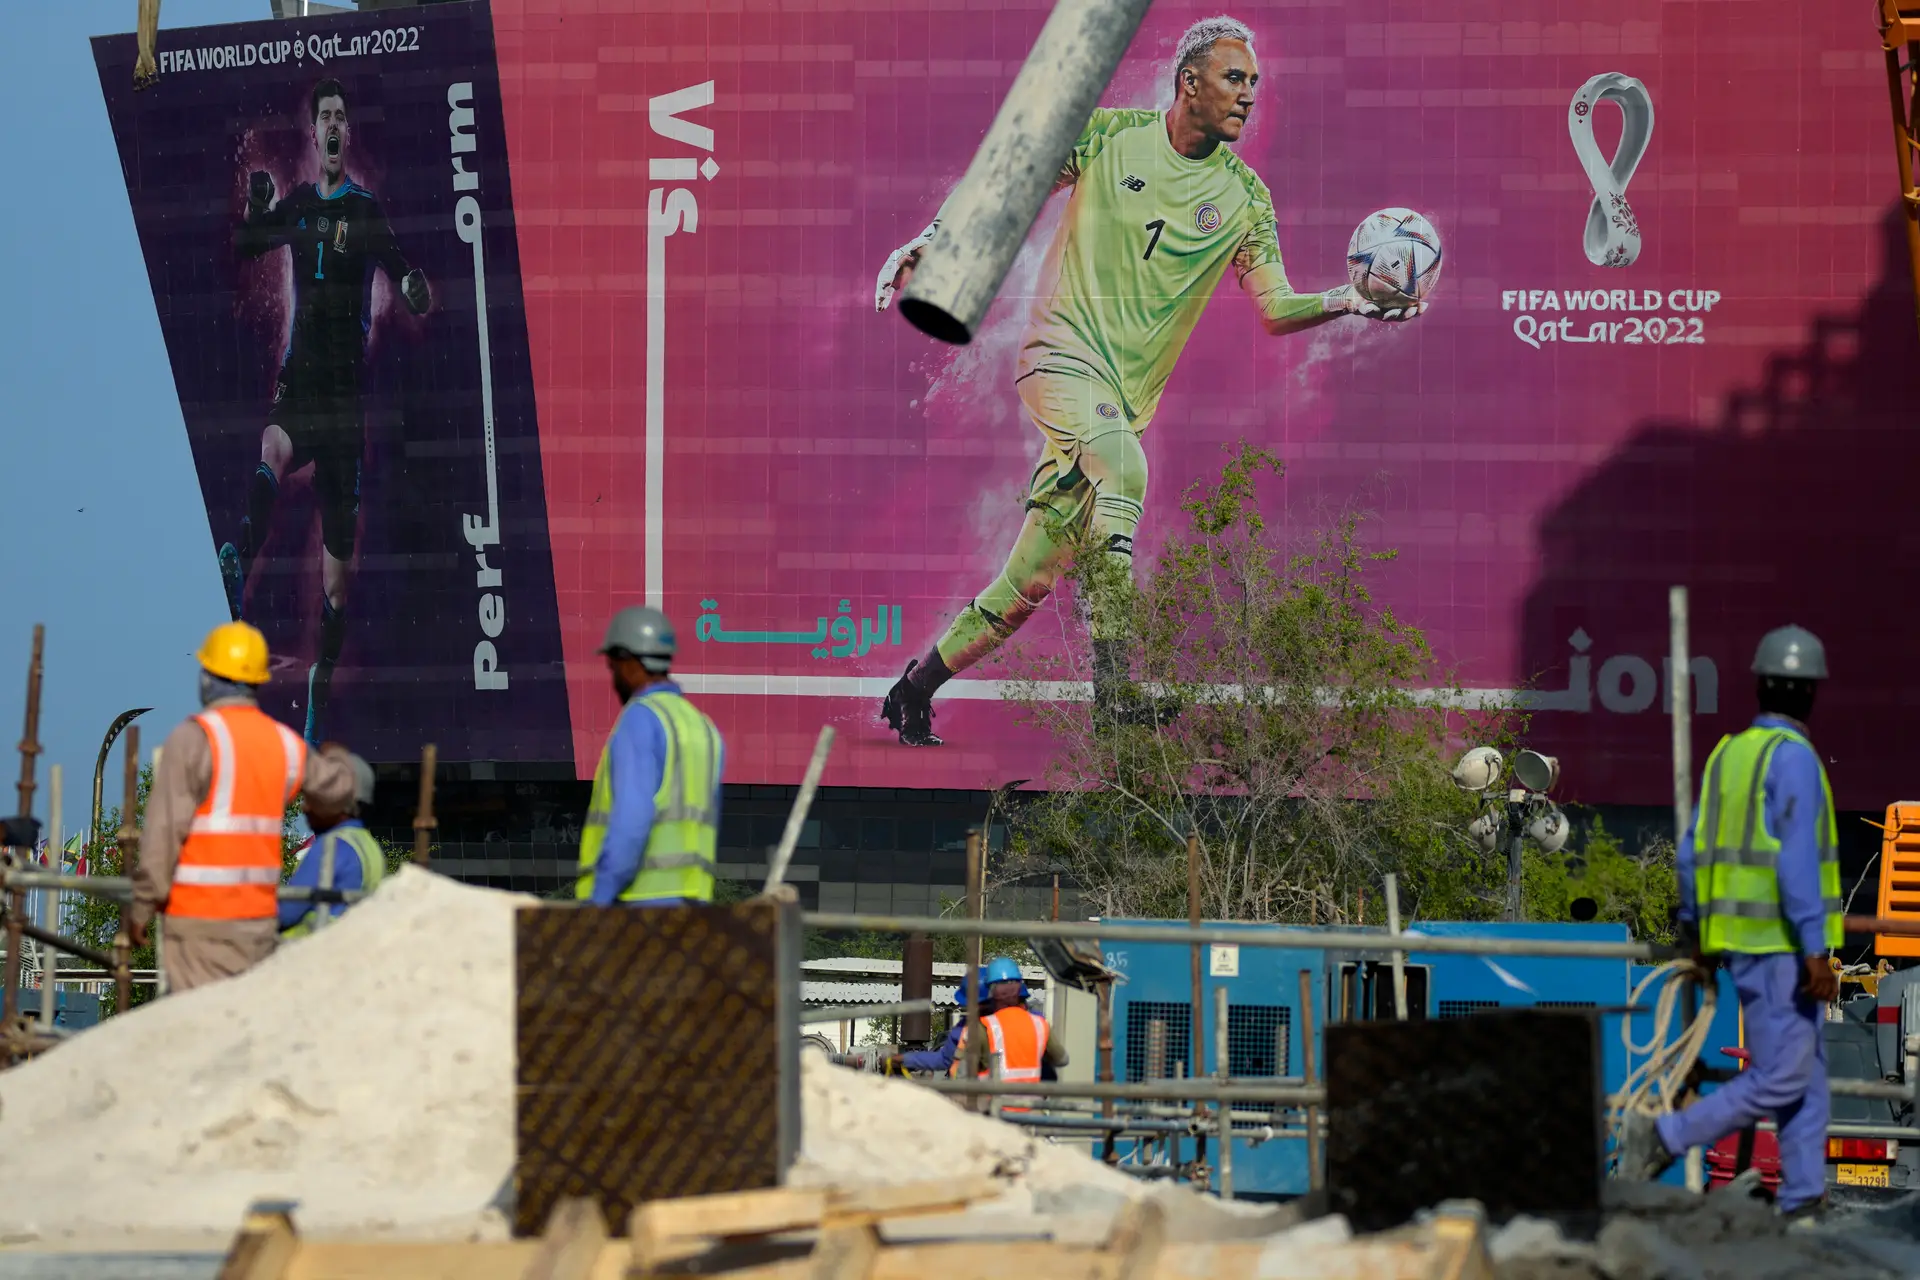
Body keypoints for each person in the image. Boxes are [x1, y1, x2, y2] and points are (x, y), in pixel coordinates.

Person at [873, 17, 1422, 746]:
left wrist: (1350, 301)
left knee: (1026, 588)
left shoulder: (1246, 200)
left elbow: (1275, 308)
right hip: (1059, 360)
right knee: (1126, 467)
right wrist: (930, 242)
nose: (1248, 95)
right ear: (1188, 82)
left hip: (1116, 409)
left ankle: (912, 689)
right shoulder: (1107, 138)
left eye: (1255, 83)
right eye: (1234, 78)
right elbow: (1009, 176)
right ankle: (1117, 690)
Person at [219, 76, 432, 746]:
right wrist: (258, 208)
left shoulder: (365, 212)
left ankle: (317, 692)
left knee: (336, 585)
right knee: (272, 452)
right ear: (316, 134)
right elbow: (252, 243)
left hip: (346, 404)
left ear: (348, 132)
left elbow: (407, 279)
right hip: (301, 379)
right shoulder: (303, 203)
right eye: (326, 118)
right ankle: (234, 565)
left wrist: (416, 289)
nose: (334, 127)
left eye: (342, 115)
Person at [1617, 624, 1842, 1223]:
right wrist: (1817, 951)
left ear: (1759, 686)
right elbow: (1797, 862)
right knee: (1782, 1078)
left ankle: (1800, 1204)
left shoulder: (1727, 754)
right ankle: (1665, 1136)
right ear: (1811, 692)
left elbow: (1690, 852)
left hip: (1742, 945)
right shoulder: (1793, 760)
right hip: (1783, 949)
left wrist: (1694, 928)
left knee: (1808, 1082)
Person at [134, 622, 359, 993]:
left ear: (209, 679)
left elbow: (162, 835)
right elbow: (338, 789)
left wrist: (141, 906)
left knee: (200, 1029)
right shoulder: (285, 745)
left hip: (198, 926)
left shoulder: (193, 740)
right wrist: (339, 758)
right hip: (256, 927)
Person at [577, 607, 726, 906]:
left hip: (637, 907)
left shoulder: (641, 720)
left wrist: (598, 899)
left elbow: (632, 821)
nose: (614, 676)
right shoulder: (703, 728)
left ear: (629, 661)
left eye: (613, 666)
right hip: (694, 908)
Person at [890, 957, 1068, 1082]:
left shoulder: (976, 1029)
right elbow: (1060, 1060)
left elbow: (950, 1065)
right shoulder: (1037, 1022)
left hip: (987, 1107)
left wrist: (905, 1059)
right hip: (1031, 1106)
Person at [279, 752, 384, 939]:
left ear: (341, 801)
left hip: (308, 955)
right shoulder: (368, 845)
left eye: (316, 798)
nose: (306, 808)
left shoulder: (331, 846)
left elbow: (285, 913)